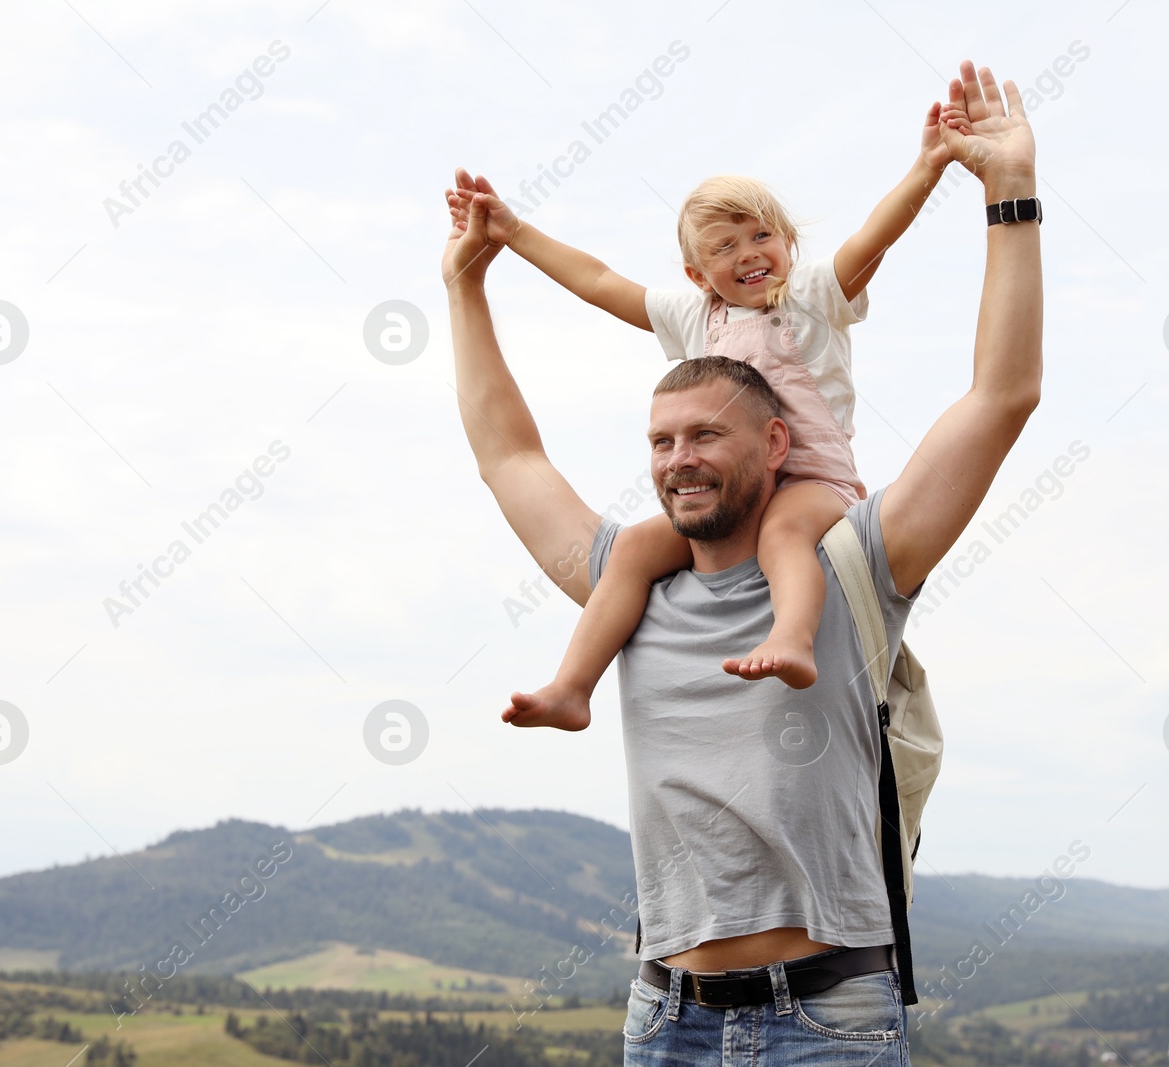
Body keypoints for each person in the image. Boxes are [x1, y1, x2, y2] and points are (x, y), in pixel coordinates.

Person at [445, 61, 1040, 1064]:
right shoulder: (627, 586)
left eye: (703, 437)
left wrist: (1006, 193)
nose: (677, 459)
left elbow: (1001, 396)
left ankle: (786, 640)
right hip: (661, 1018)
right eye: (660, 440)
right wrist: (468, 283)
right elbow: (507, 452)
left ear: (770, 445)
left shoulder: (854, 563)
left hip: (828, 1020)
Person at [444, 103, 964, 735]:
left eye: (761, 235)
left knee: (784, 537)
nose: (750, 254)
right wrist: (515, 233)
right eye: (725, 247)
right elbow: (599, 280)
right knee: (633, 548)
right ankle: (573, 687)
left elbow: (872, 238)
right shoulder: (698, 318)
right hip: (731, 493)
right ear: (697, 274)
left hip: (809, 483)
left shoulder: (814, 298)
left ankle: (793, 636)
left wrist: (928, 167)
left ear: (789, 244)